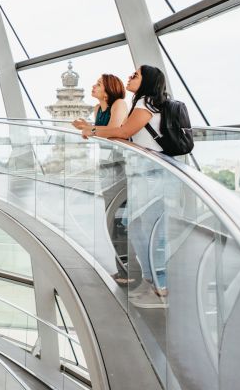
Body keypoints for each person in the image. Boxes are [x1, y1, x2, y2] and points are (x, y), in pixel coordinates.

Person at [81, 65, 170, 305]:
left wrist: (90, 129)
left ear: (147, 81)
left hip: (150, 171)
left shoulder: (143, 106)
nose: (129, 77)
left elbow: (122, 132)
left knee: (147, 228)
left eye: (135, 75)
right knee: (137, 225)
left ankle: (158, 285)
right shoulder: (141, 104)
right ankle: (152, 282)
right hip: (143, 171)